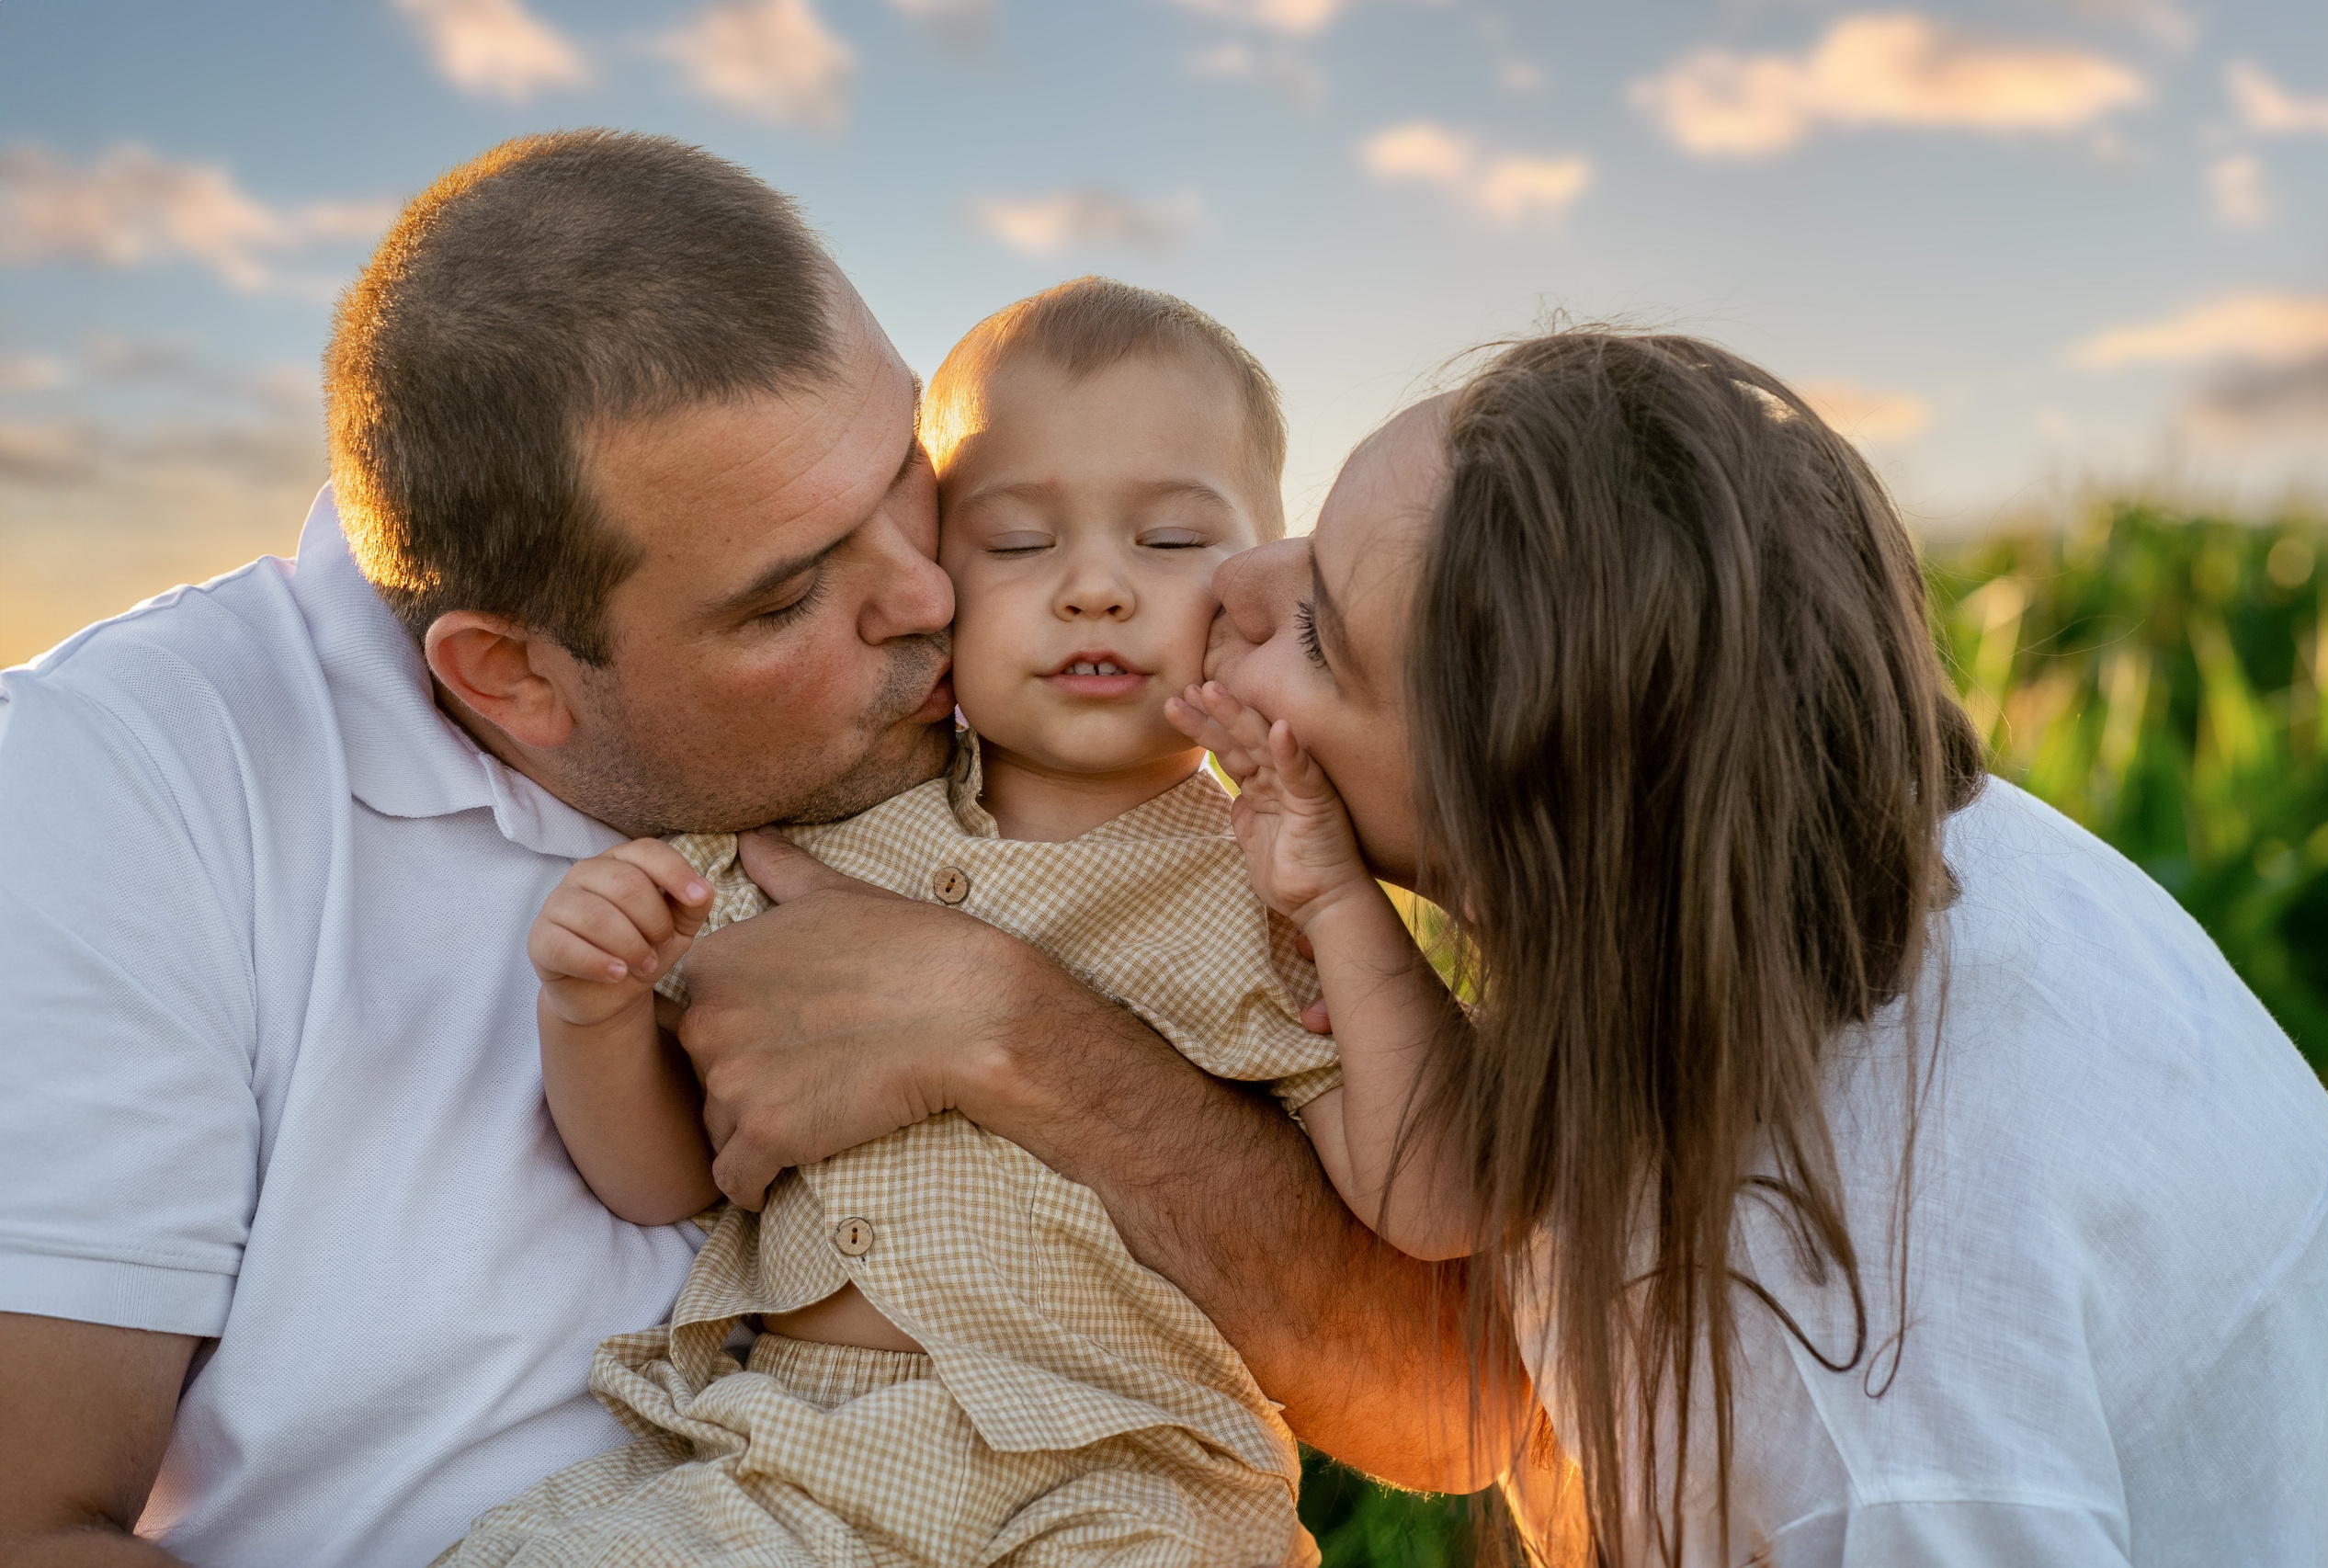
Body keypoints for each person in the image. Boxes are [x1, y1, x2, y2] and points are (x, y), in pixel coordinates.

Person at [0, 133, 1491, 1568]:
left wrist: (1015, 1034)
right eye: (789, 596)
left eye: (907, 475)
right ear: (510, 675)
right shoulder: (116, 789)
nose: (925, 598)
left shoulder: (1133, 797)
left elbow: (1466, 1405)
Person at [722, 330, 2328, 1566]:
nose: (1227, 589)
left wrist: (1013, 1031)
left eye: (1319, 637)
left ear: (1516, 842)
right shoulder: (1851, 820)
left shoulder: (1840, 1396)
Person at [444, 278, 1336, 1566]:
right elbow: (667, 1179)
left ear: (1260, 567)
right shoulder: (803, 845)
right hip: (798, 1454)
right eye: (1021, 543)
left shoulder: (1278, 876)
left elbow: (1426, 1201)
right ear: (936, 581)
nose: (1093, 587)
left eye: (1171, 540)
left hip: (1132, 1471)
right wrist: (590, 1008)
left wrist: (1352, 921)